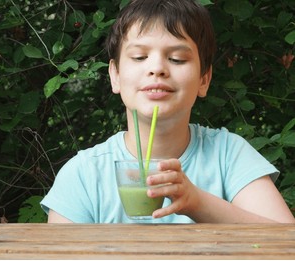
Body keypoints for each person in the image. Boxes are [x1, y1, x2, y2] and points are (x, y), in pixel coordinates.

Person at [40, 0, 295, 223]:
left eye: (177, 59)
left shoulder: (228, 155)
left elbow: (287, 243)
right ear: (115, 75)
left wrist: (197, 203)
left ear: (204, 79)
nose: (157, 68)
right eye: (139, 57)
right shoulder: (84, 174)